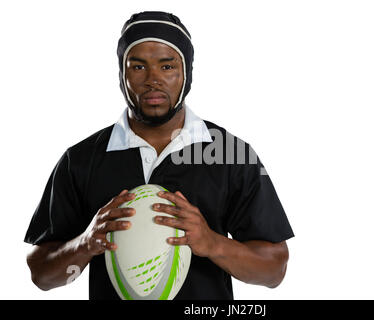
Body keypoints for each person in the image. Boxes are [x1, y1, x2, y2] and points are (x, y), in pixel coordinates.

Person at [24, 11, 294, 300]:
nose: (153, 80)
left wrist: (211, 242)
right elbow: (41, 275)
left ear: (186, 71)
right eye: (138, 67)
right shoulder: (80, 159)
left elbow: (274, 270)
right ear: (122, 73)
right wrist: (85, 244)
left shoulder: (232, 155)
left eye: (167, 66)